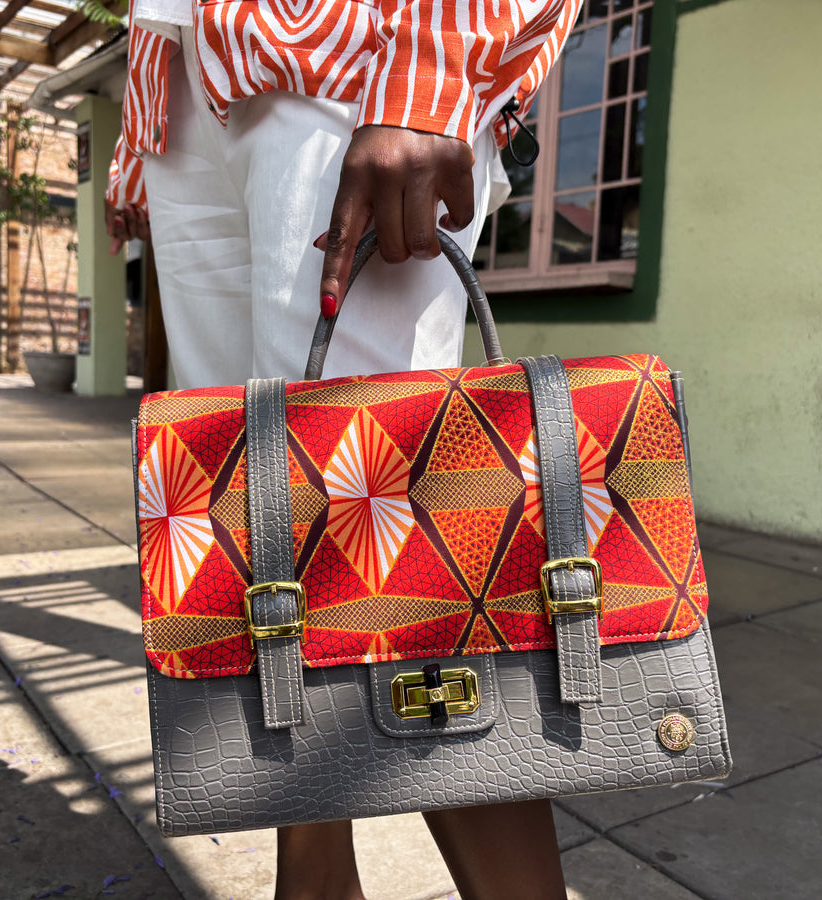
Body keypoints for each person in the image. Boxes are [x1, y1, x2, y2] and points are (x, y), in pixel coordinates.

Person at [107, 3, 583, 897]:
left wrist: (432, 75)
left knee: (402, 565)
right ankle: (316, 885)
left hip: (352, 52)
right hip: (188, 82)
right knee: (259, 540)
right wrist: (142, 141)